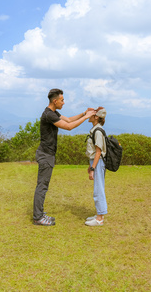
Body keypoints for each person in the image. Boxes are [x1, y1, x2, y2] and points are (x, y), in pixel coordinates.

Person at [33, 88, 96, 226]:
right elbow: (68, 126)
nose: (64, 102)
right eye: (62, 100)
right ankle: (38, 217)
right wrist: (86, 117)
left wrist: (84, 113)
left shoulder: (53, 112)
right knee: (42, 186)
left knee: (43, 185)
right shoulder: (48, 115)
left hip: (47, 154)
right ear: (55, 101)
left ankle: (40, 213)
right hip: (45, 154)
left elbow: (68, 119)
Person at [85, 107, 108, 226]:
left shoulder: (97, 131)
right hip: (95, 162)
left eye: (92, 114)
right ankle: (99, 214)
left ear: (96, 117)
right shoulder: (95, 130)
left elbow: (98, 152)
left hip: (98, 162)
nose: (89, 115)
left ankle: (99, 219)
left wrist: (93, 168)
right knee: (98, 188)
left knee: (98, 189)